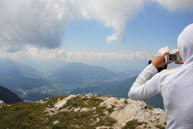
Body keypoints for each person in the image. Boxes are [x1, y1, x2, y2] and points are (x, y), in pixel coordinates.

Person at [128, 23, 193, 129]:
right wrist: (187, 62)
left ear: (183, 48)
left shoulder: (165, 77)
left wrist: (153, 66)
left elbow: (133, 93)